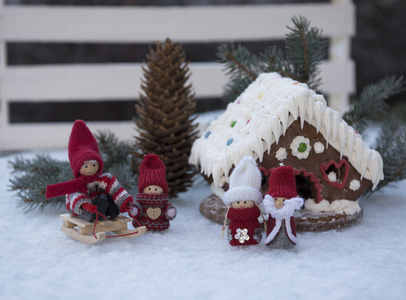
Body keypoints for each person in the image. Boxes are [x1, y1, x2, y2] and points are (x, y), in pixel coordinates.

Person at [46, 120, 133, 221]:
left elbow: (115, 189)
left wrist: (125, 201)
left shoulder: (104, 179)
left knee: (107, 198)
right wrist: (86, 205)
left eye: (94, 165)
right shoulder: (76, 186)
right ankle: (94, 216)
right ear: (78, 168)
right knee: (85, 215)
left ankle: (105, 213)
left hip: (101, 206)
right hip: (85, 210)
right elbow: (75, 196)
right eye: (86, 166)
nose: (91, 168)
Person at [221, 156, 263, 246]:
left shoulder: (254, 213)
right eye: (238, 202)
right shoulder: (232, 214)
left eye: (245, 202)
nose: (241, 205)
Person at [130, 154, 176, 231]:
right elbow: (138, 207)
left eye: (155, 189)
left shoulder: (163, 202)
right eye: (149, 188)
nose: (152, 191)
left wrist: (169, 212)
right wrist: (135, 210)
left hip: (161, 224)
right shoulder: (142, 201)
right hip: (141, 224)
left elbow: (166, 208)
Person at [263, 166, 303, 249]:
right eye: (276, 199)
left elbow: (291, 225)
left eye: (284, 200)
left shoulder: (289, 212)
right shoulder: (272, 212)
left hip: (289, 244)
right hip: (272, 245)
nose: (279, 203)